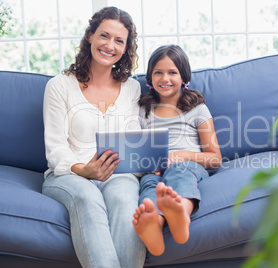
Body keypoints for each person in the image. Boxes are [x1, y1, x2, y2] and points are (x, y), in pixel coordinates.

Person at [42, 7, 146, 268]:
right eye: (104, 36)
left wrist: (145, 164)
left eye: (119, 41)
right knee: (87, 198)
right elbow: (55, 149)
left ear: (126, 48)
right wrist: (83, 170)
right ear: (90, 36)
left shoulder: (132, 88)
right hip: (68, 174)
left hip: (118, 173)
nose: (110, 45)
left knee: (125, 201)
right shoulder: (59, 86)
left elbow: (133, 139)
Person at [132, 44, 222, 256]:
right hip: (156, 171)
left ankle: (181, 211)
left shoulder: (197, 108)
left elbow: (215, 158)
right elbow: (137, 149)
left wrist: (180, 155)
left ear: (184, 78)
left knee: (178, 172)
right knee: (149, 186)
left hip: (188, 166)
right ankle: (155, 223)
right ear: (150, 79)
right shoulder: (143, 110)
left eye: (172, 72)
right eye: (158, 72)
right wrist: (147, 166)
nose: (165, 78)